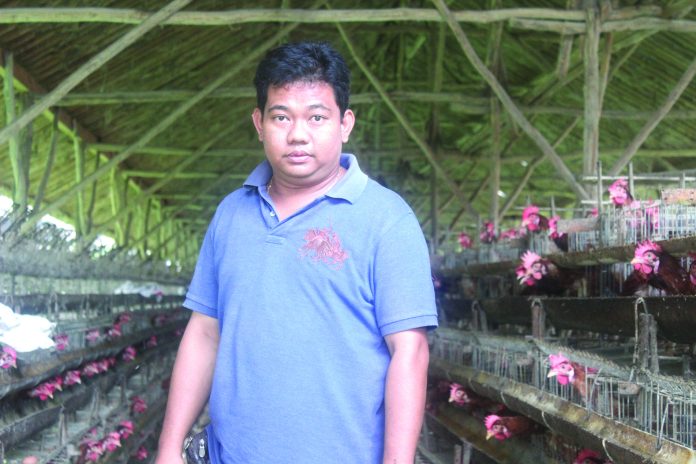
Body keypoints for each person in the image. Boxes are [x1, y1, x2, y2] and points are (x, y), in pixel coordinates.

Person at [155, 41, 437, 464]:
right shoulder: (231, 213)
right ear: (259, 123)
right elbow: (204, 333)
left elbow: (409, 352)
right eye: (281, 117)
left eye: (317, 117)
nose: (298, 134)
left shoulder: (387, 219)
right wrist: (168, 448)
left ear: (345, 124)